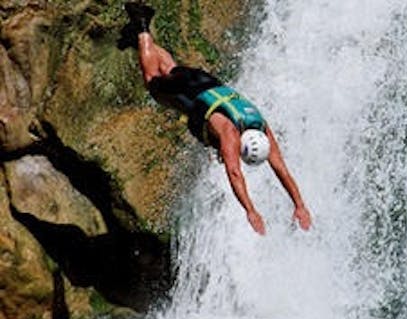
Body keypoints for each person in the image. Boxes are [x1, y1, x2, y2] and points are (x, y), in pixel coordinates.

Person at [117, 2, 311, 235]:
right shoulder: (230, 135)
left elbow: (282, 170)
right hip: (190, 91)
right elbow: (234, 173)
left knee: (170, 69)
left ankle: (140, 40)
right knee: (153, 81)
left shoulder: (260, 125)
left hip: (205, 81)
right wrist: (250, 210)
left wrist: (299, 204)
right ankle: (141, 25)